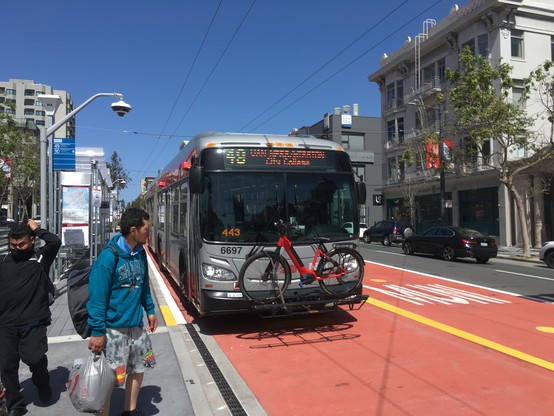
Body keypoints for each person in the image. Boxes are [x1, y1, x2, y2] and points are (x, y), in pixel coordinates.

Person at [87, 208, 158, 416]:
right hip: (112, 330)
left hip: (136, 327)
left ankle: (130, 411)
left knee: (138, 369)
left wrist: (150, 310)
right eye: (147, 229)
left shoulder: (140, 253)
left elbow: (143, 284)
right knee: (108, 380)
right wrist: (97, 331)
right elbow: (97, 298)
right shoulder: (109, 257)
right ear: (133, 230)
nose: (149, 233)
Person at [0, 219, 61, 416]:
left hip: (34, 321)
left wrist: (36, 228)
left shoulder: (40, 258)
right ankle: (15, 405)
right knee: (7, 367)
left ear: (32, 241)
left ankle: (42, 384)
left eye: (22, 244)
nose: (17, 248)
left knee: (34, 358)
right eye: (13, 244)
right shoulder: (3, 261)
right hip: (6, 323)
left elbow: (54, 242)